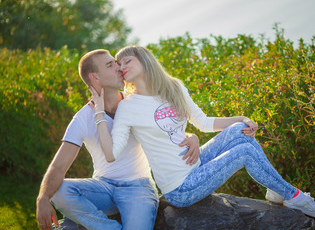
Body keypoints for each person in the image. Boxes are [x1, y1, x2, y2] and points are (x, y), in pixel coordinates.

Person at [91, 46, 315, 219]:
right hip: (180, 188)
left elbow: (203, 122)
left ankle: (278, 191)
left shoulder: (173, 87)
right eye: (118, 64)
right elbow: (111, 153)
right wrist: (99, 114)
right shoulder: (128, 107)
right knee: (244, 151)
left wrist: (241, 118)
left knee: (239, 131)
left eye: (126, 61)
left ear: (144, 60)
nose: (121, 68)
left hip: (196, 164)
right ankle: (295, 197)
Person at [36, 49, 201, 230]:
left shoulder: (135, 103)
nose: (118, 67)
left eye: (116, 62)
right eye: (110, 65)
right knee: (59, 191)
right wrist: (42, 199)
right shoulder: (82, 118)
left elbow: (164, 130)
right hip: (102, 188)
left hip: (139, 189)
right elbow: (58, 166)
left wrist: (190, 136)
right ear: (95, 77)